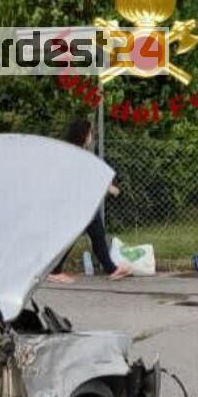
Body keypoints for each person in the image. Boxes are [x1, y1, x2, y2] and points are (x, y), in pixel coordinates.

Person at [47, 117, 131, 283]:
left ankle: (111, 269)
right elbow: (83, 177)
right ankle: (55, 271)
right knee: (79, 235)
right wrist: (109, 188)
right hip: (75, 202)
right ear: (83, 134)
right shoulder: (76, 154)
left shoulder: (73, 152)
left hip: (79, 202)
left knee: (96, 233)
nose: (92, 136)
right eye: (90, 132)